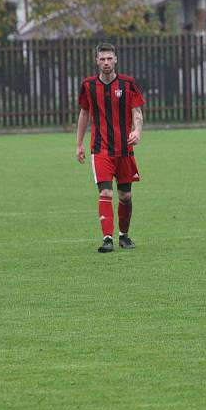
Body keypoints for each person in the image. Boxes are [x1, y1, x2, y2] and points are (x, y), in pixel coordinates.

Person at [76, 43, 145, 253]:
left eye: (109, 59)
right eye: (102, 59)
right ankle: (107, 239)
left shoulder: (128, 83)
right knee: (105, 191)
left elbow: (137, 112)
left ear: (115, 60)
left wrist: (137, 131)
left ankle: (123, 235)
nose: (106, 62)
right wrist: (79, 144)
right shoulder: (88, 85)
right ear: (96, 61)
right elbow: (84, 114)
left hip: (124, 150)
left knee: (125, 197)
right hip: (101, 149)